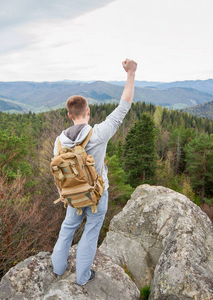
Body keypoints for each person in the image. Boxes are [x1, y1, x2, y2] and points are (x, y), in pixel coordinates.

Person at [51, 58, 137, 285]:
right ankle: (82, 277)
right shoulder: (99, 134)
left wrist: (65, 193)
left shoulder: (59, 142)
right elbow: (124, 106)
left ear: (69, 114)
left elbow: (58, 173)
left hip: (72, 197)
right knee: (90, 232)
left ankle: (58, 269)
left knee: (67, 229)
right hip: (98, 196)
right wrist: (131, 73)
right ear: (87, 111)